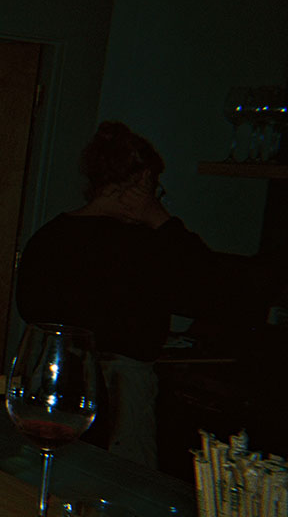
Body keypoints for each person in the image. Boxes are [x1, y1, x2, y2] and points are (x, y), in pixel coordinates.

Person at [16, 121, 278, 468]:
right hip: (124, 392)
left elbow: (29, 308)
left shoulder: (49, 237)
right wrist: (161, 219)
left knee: (52, 472)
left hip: (55, 380)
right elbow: (221, 291)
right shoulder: (144, 244)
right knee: (125, 484)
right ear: (141, 182)